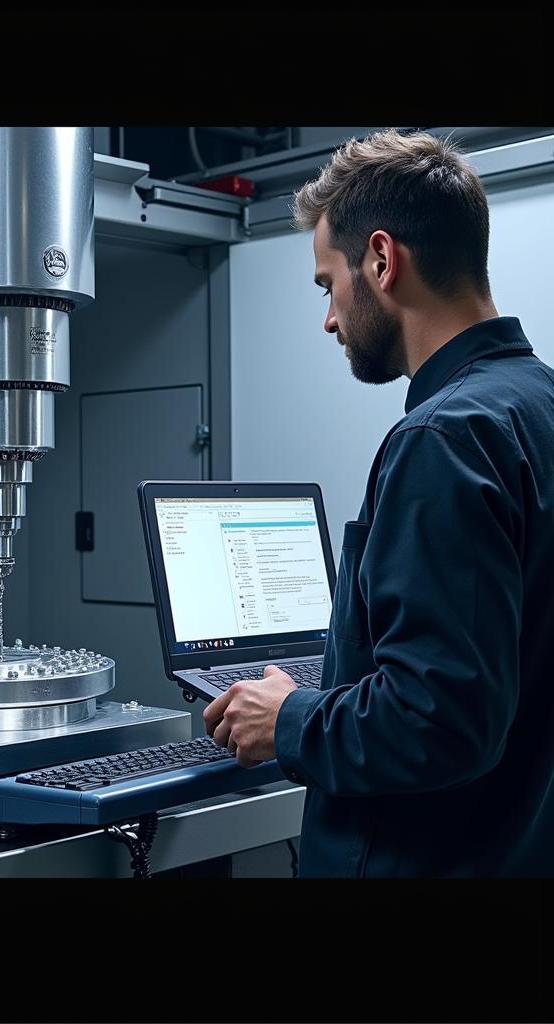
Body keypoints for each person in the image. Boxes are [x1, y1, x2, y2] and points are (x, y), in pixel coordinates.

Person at [203, 129, 554, 876]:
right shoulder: (540, 406)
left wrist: (288, 718)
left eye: (329, 284)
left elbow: (441, 720)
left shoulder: (444, 438)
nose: (330, 318)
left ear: (382, 260)